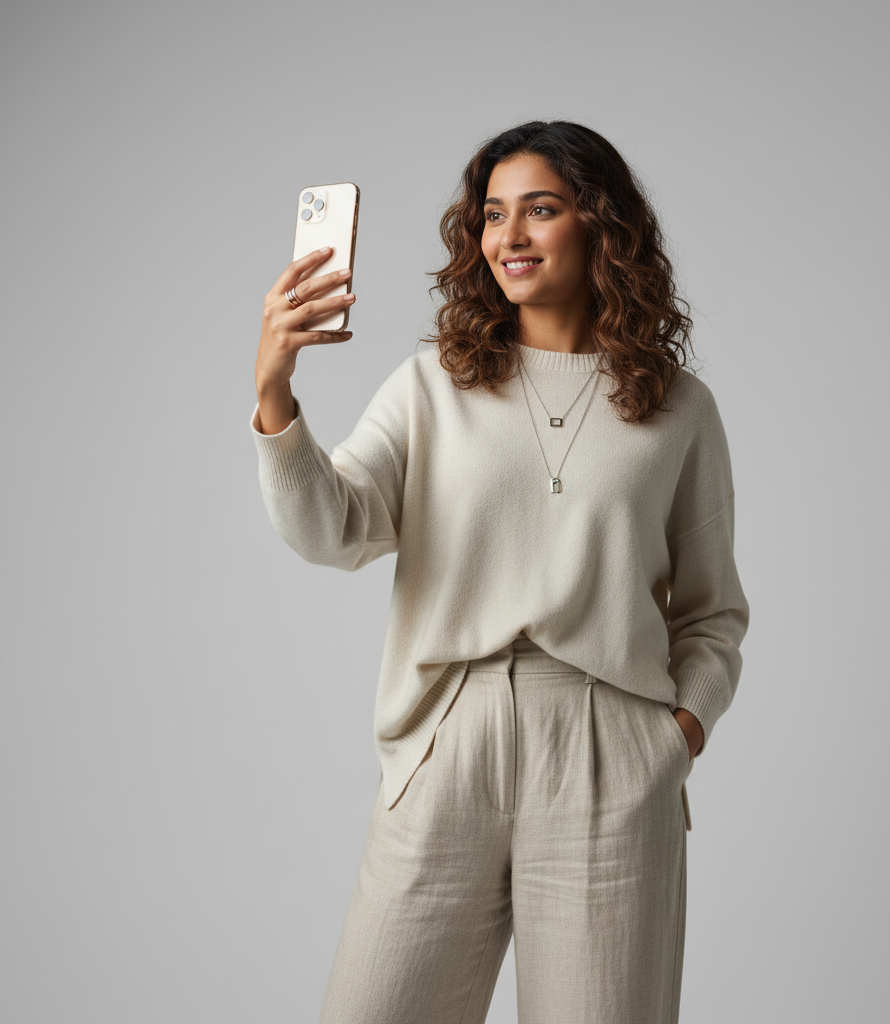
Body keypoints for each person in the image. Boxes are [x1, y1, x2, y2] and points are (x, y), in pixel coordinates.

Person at [250, 120, 750, 1024]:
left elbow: (712, 613)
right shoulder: (432, 384)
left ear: (602, 225)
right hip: (450, 737)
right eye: (491, 215)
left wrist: (675, 736)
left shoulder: (681, 410)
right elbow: (335, 530)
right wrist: (276, 393)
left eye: (540, 210)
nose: (509, 236)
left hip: (610, 745)